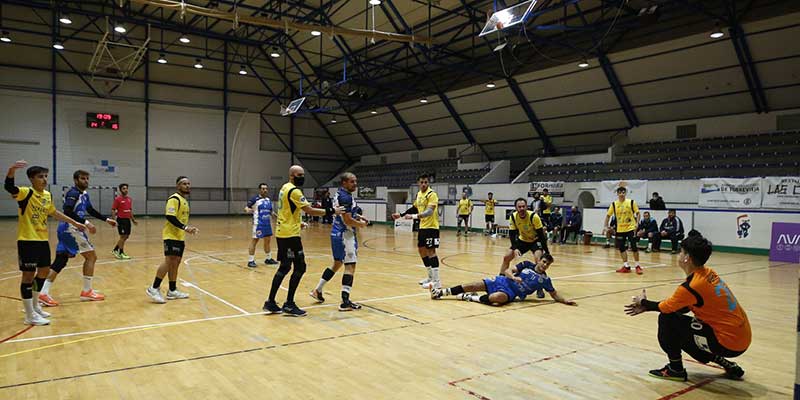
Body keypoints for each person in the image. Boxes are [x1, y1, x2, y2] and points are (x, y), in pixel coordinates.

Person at [625, 230, 750, 381]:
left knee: (667, 321)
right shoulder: (709, 273)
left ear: (687, 258)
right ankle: (723, 362)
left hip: (728, 343)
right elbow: (683, 307)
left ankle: (675, 369)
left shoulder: (692, 286)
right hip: (741, 336)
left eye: (681, 252)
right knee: (681, 326)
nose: (679, 255)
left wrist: (644, 303)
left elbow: (666, 308)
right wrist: (651, 306)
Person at [5, 160, 86, 325]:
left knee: (43, 272)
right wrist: (12, 170)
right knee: (28, 276)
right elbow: (9, 187)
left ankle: (35, 306)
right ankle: (29, 315)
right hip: (27, 240)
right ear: (32, 179)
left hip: (42, 240)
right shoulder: (26, 193)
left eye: (46, 176)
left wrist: (75, 222)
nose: (44, 179)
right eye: (40, 177)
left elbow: (54, 212)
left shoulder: (47, 195)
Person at [263, 165, 334, 317]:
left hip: (283, 232)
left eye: (303, 174)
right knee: (300, 267)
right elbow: (309, 210)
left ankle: (271, 302)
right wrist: (332, 211)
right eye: (299, 175)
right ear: (292, 175)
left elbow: (286, 210)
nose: (302, 177)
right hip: (290, 236)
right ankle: (289, 304)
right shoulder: (295, 191)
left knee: (285, 267)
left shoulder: (284, 188)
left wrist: (297, 222)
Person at [38, 170, 117, 306]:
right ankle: (87, 291)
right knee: (91, 257)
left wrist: (106, 219)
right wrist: (86, 223)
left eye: (87, 178)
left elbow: (90, 210)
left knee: (61, 261)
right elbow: (67, 210)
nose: (86, 181)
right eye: (82, 178)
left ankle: (43, 292)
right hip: (71, 229)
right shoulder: (73, 193)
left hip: (67, 229)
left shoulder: (84, 194)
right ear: (76, 180)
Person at [310, 172, 369, 311]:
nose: (355, 184)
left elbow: (345, 212)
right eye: (352, 182)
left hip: (337, 233)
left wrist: (359, 216)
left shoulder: (340, 194)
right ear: (344, 183)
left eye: (356, 181)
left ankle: (317, 290)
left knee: (337, 263)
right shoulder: (345, 196)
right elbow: (347, 220)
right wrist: (361, 224)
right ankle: (345, 302)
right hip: (345, 234)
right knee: (350, 265)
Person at [431, 256, 576, 307]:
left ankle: (470, 298)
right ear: (539, 260)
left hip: (510, 293)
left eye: (548, 264)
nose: (545, 265)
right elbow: (507, 270)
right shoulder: (526, 265)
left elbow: (554, 294)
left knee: (497, 298)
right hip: (503, 281)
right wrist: (513, 277)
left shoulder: (545, 280)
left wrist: (565, 301)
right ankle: (441, 292)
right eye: (544, 262)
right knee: (473, 285)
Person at [146, 176, 199, 304]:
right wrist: (185, 227)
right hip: (171, 236)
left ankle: (172, 290)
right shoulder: (174, 199)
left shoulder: (184, 201)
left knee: (176, 262)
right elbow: (170, 217)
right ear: (178, 186)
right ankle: (153, 288)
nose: (187, 186)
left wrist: (186, 229)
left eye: (188, 183)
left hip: (179, 237)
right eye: (184, 184)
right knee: (169, 261)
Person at [392, 173, 441, 289]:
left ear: (428, 183)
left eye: (426, 182)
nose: (423, 184)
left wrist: (413, 217)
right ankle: (430, 277)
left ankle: (437, 281)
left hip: (432, 227)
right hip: (423, 227)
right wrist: (401, 214)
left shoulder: (432, 194)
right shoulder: (419, 194)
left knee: (431, 252)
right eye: (421, 182)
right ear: (418, 183)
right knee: (421, 250)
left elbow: (429, 212)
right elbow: (415, 208)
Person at [604, 187, 642, 274]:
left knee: (634, 247)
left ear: (625, 193)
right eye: (620, 192)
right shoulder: (614, 204)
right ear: (617, 194)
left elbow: (638, 213)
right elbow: (608, 216)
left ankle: (637, 266)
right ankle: (626, 266)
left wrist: (637, 223)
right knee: (621, 248)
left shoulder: (631, 202)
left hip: (631, 228)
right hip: (620, 229)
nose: (621, 194)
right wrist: (605, 226)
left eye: (623, 192)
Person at [245, 183, 277, 268]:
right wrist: (248, 210)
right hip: (258, 224)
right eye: (263, 189)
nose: (265, 190)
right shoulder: (255, 199)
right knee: (254, 241)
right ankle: (250, 260)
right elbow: (246, 208)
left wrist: (277, 217)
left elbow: (271, 212)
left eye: (266, 188)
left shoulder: (268, 200)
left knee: (267, 241)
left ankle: (268, 259)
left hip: (267, 224)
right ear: (260, 190)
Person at [111, 183, 137, 259]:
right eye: (124, 188)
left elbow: (130, 210)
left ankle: (115, 249)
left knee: (126, 236)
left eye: (126, 188)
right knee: (122, 236)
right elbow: (113, 209)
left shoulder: (129, 199)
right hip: (121, 220)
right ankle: (121, 253)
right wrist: (114, 220)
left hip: (127, 220)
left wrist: (133, 220)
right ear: (120, 190)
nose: (125, 190)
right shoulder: (117, 199)